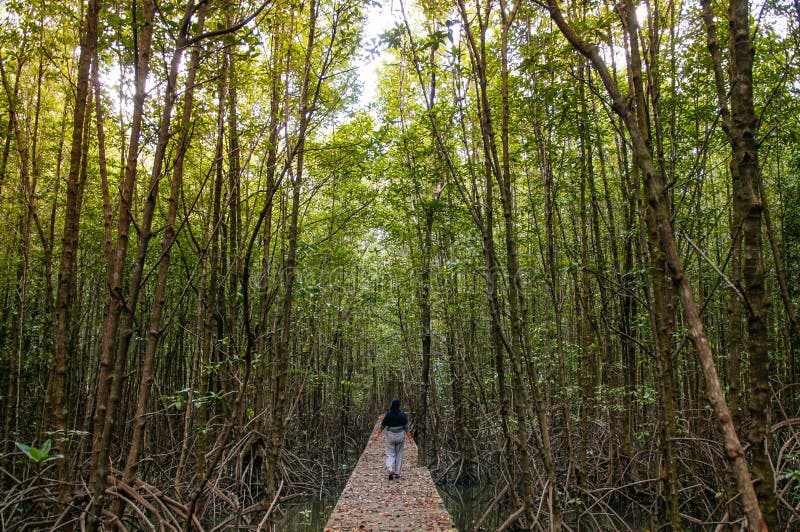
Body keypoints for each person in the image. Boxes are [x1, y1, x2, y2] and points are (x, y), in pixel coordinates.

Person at [373, 398, 411, 480]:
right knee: (399, 454)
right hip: (400, 435)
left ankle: (390, 469)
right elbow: (406, 428)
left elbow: (383, 426)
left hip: (390, 436)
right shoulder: (402, 415)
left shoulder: (388, 414)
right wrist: (410, 438)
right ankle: (397, 473)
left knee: (390, 453)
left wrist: (377, 434)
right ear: (398, 405)